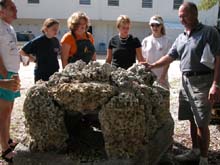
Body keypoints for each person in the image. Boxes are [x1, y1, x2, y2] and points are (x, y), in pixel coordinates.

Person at [141, 2, 220, 165]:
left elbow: (218, 57)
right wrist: (153, 65)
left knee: (202, 122)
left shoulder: (209, 32)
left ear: (195, 14)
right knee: (191, 118)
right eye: (180, 17)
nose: (182, 19)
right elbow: (170, 56)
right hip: (185, 82)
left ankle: (204, 159)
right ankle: (195, 151)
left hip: (203, 81)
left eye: (185, 16)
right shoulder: (181, 37)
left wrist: (216, 84)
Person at [0, 0, 21, 162]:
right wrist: (5, 74)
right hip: (4, 75)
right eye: (11, 8)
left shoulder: (10, 27)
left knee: (10, 110)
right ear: (1, 11)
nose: (15, 10)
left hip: (13, 73)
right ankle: (4, 149)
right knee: (3, 113)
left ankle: (7, 139)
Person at [19, 18, 60, 83]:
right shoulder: (38, 41)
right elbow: (22, 51)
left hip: (54, 73)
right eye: (54, 29)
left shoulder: (56, 41)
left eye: (57, 29)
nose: (56, 31)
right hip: (41, 74)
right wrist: (33, 60)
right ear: (46, 29)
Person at [142, 15, 171, 89]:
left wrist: (162, 77)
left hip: (162, 79)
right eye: (152, 25)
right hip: (148, 79)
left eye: (157, 25)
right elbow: (143, 60)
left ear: (161, 26)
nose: (155, 27)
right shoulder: (145, 41)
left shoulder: (167, 41)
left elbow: (167, 62)